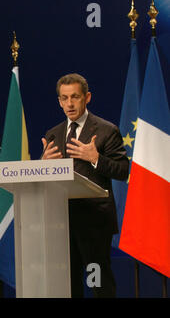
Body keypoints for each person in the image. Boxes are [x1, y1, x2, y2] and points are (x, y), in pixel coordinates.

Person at [41, 73, 129, 298]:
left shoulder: (106, 130)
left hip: (94, 225)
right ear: (59, 101)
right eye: (64, 98)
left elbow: (122, 170)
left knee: (98, 283)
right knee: (68, 285)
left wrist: (96, 158)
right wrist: (43, 166)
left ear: (87, 97)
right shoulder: (53, 134)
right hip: (62, 224)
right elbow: (47, 180)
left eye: (75, 97)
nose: (69, 104)